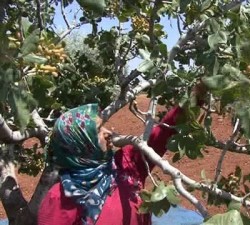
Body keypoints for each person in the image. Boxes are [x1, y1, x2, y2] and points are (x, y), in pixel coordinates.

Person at [37, 83, 206, 225]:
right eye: (97, 130)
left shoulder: (125, 165)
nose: (108, 132)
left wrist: (196, 96)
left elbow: (161, 133)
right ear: (80, 143)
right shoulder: (60, 198)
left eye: (104, 125)